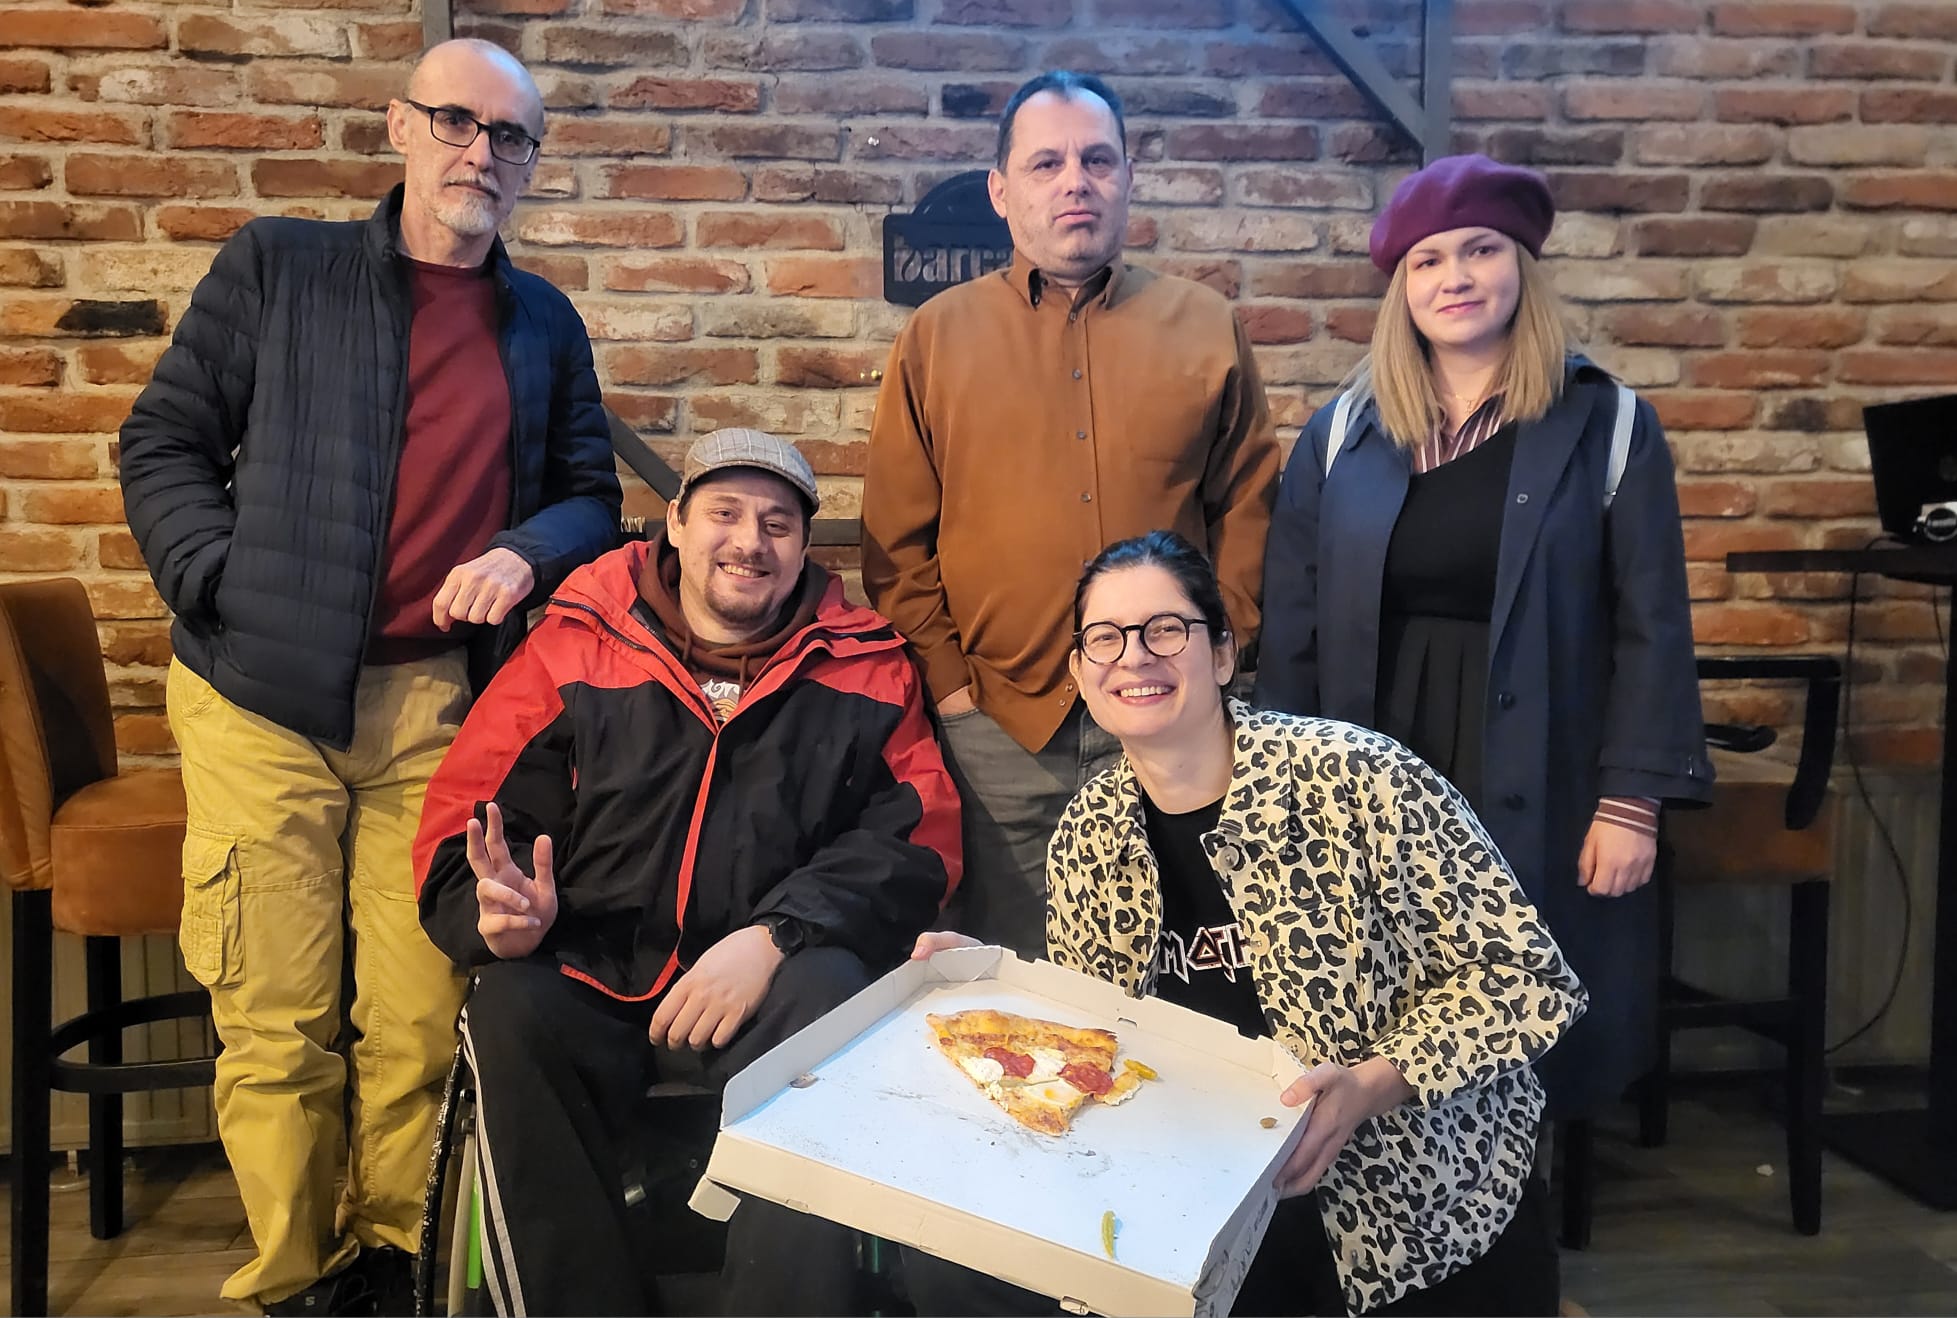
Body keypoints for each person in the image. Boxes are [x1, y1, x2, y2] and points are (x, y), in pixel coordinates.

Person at [117, 38, 622, 1315]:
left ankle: (400, 1259)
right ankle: (299, 1274)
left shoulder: (543, 322)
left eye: (510, 136)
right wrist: (222, 582)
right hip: (258, 697)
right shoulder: (276, 267)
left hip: (438, 708)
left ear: (530, 163)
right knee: (276, 1013)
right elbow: (163, 440)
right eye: (456, 121)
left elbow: (589, 497)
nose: (480, 153)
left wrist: (523, 550)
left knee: (419, 1008)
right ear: (399, 127)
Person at [908, 531, 1584, 1316]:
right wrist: (997, 986)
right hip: (1210, 1192)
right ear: (1080, 673)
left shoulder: (1358, 777)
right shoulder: (1089, 830)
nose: (1134, 656)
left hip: (1416, 1193)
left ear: (1223, 654)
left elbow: (1526, 980)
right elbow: (1102, 1025)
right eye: (1104, 638)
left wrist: (1371, 1085)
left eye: (1166, 629)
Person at [414, 430, 962, 1315]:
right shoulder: (570, 643)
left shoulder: (867, 663)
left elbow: (917, 842)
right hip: (591, 967)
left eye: (777, 524)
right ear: (674, 523)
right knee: (508, 1008)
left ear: (803, 547)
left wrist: (777, 934)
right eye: (725, 514)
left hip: (771, 984)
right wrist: (497, 914)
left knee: (832, 1001)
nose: (750, 541)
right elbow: (469, 818)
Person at [1253, 154, 1713, 1126]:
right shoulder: (1342, 432)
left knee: (1518, 985)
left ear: (1522, 266)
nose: (1454, 277)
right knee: (1379, 988)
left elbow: (1651, 621)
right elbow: (1293, 623)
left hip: (1541, 755)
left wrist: (1630, 804)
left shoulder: (1606, 423)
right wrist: (1280, 795)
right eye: (1427, 261)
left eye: (1480, 250)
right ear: (1401, 288)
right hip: (1376, 751)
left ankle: (1518, 1187)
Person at [861, 69, 1280, 958]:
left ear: (1128, 176)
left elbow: (1248, 507)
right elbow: (895, 544)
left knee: (1186, 968)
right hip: (1000, 729)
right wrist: (953, 691)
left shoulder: (1205, 326)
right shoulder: (935, 337)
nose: (1074, 182)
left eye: (1096, 159)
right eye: (1045, 163)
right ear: (1000, 191)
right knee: (1013, 977)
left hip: (1174, 711)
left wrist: (1221, 656)